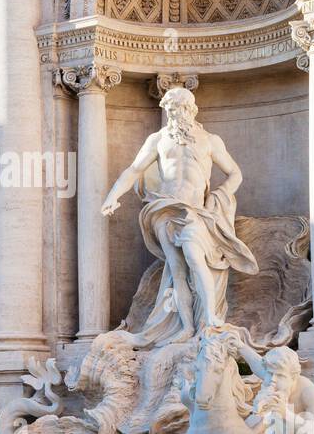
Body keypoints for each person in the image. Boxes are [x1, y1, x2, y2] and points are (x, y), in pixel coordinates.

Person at [102, 87, 257, 345]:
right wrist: (113, 195)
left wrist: (218, 197)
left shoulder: (210, 140)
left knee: (195, 258)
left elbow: (235, 173)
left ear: (190, 108)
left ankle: (210, 318)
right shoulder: (158, 139)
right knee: (177, 270)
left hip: (194, 211)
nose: (173, 114)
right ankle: (186, 327)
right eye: (169, 110)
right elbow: (134, 169)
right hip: (164, 208)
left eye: (178, 109)